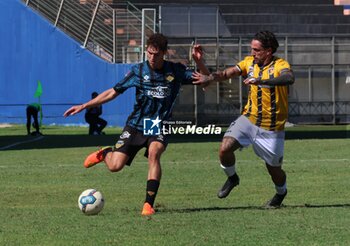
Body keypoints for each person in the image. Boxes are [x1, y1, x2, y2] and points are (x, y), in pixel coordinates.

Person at [63, 33, 201, 216]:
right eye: (149, 53)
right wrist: (84, 105)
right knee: (115, 166)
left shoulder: (175, 70)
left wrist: (199, 62)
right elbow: (113, 92)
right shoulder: (138, 71)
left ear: (164, 53)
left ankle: (148, 204)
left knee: (154, 153)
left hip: (157, 124)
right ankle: (105, 153)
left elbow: (205, 79)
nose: (152, 58)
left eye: (156, 54)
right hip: (136, 124)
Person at [192, 30, 295, 208]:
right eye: (252, 49)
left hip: (272, 129)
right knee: (224, 149)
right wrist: (207, 76)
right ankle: (232, 178)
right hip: (248, 120)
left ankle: (281, 193)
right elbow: (226, 74)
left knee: (274, 170)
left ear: (268, 51)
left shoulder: (280, 65)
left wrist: (262, 81)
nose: (252, 53)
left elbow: (289, 77)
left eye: (256, 50)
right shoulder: (248, 63)